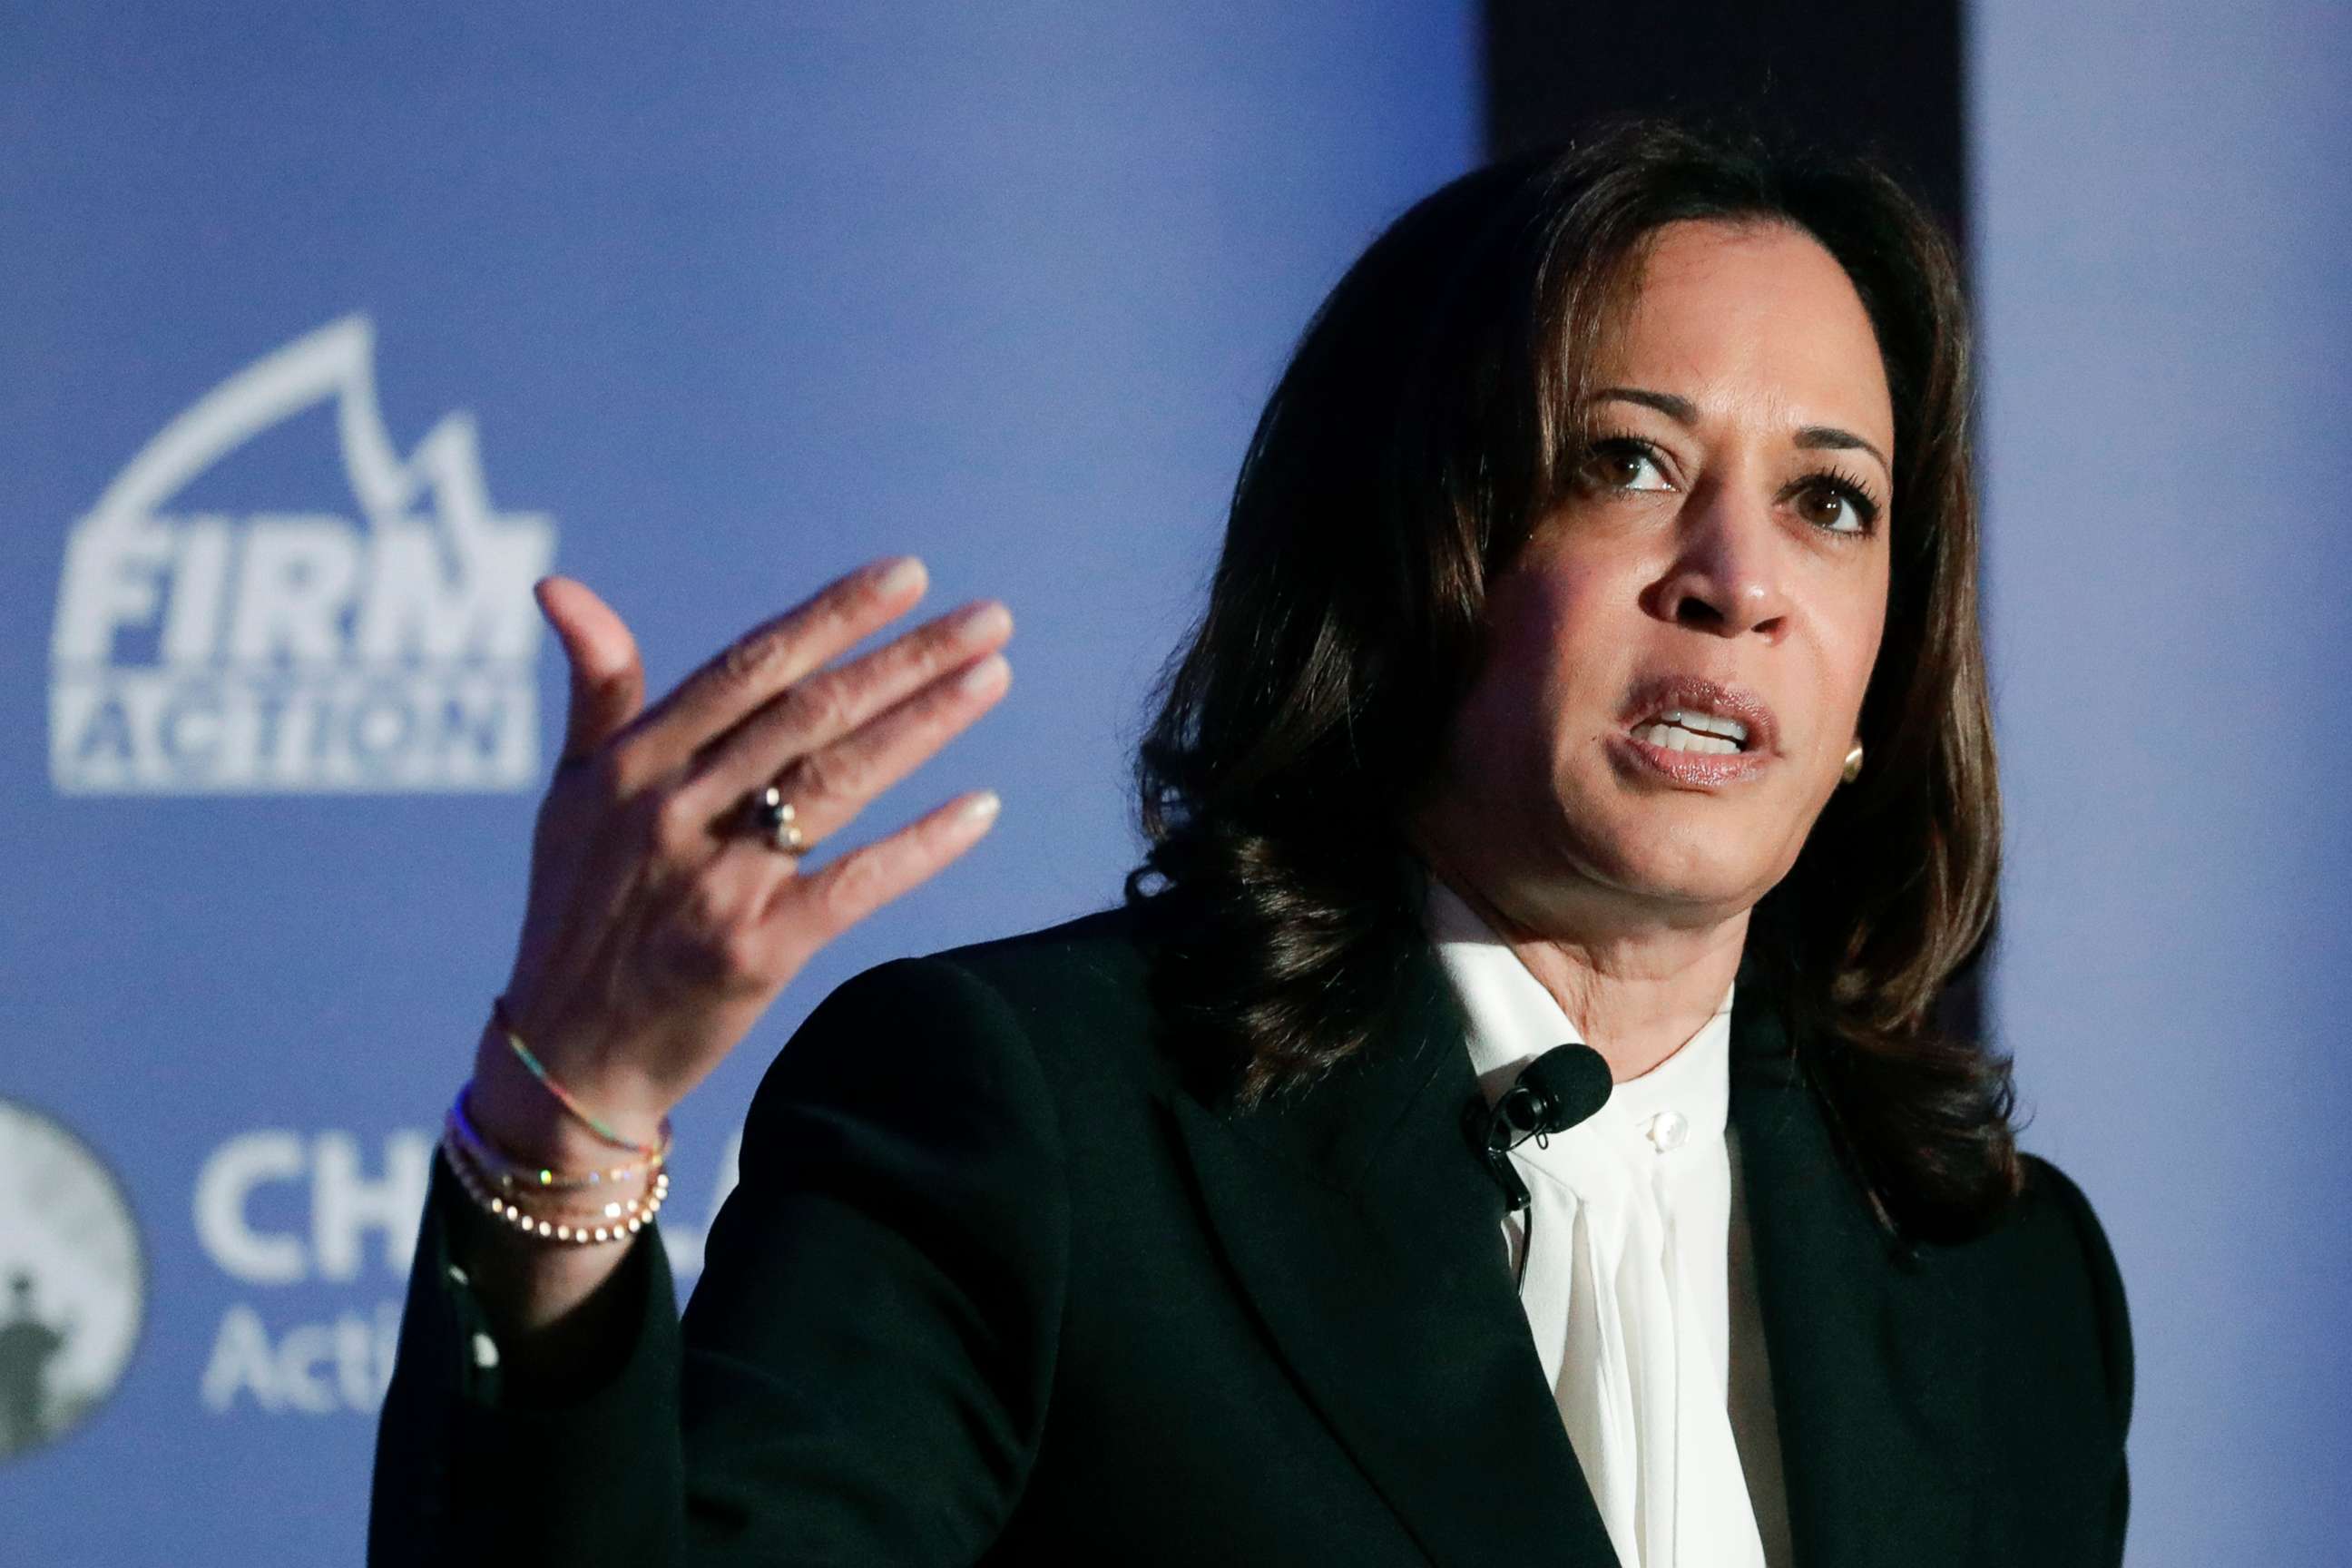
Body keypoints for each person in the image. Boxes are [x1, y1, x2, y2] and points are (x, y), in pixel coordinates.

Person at [370, 119, 2132, 1566]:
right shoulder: (1029, 1134)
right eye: (1624, 463)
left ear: (1880, 684)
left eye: (1832, 503)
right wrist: (566, 1114)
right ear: (1404, 560)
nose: (1738, 582)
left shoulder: (2001, 1280)